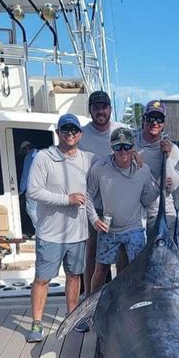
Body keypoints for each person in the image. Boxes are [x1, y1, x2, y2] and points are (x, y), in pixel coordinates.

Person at [26, 113, 97, 342]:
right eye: (65, 130)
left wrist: (135, 155)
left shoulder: (88, 158)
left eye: (74, 130)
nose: (70, 134)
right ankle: (37, 323)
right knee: (42, 279)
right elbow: (33, 191)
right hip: (50, 233)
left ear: (80, 134)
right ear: (58, 133)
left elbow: (115, 158)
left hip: (78, 233)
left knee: (74, 276)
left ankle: (72, 318)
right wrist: (66, 199)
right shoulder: (43, 157)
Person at [87, 127, 159, 291]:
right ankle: (91, 305)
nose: (123, 150)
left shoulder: (143, 169)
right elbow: (88, 195)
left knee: (137, 270)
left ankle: (135, 305)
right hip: (108, 229)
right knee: (100, 270)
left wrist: (161, 189)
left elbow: (147, 199)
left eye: (127, 146)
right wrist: (94, 219)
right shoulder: (100, 167)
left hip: (134, 229)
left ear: (133, 147)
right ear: (112, 148)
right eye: (118, 146)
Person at [79, 90, 127, 295]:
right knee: (91, 252)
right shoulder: (81, 134)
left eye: (104, 107)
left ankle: (120, 298)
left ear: (110, 109)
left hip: (120, 203)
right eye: (96, 107)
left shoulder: (122, 129)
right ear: (90, 110)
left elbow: (137, 153)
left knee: (122, 253)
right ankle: (89, 299)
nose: (100, 111)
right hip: (93, 204)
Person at [133, 99, 179, 234]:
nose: (154, 122)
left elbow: (172, 186)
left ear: (164, 123)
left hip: (163, 214)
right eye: (151, 118)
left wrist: (166, 157)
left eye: (159, 119)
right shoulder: (131, 145)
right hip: (136, 215)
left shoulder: (173, 149)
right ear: (144, 119)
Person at [19, 141, 38, 234]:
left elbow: (26, 175)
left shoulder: (28, 158)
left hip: (34, 189)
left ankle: (40, 231)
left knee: (31, 209)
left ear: (26, 149)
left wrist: (20, 190)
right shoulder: (43, 154)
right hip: (47, 189)